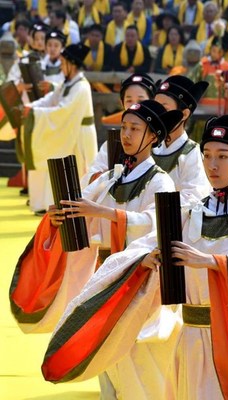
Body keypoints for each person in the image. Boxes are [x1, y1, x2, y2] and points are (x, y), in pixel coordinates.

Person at [41, 114, 228, 400]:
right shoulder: (190, 212)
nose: (212, 165)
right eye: (207, 155)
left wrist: (213, 262)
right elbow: (145, 245)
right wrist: (145, 261)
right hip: (189, 338)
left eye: (223, 156)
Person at [9, 99, 182, 334]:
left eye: (135, 129)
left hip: (137, 275)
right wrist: (60, 215)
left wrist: (102, 212)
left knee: (133, 354)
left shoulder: (161, 181)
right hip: (102, 272)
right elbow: (82, 205)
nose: (126, 135)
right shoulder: (112, 177)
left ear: (153, 136)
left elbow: (156, 226)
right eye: (124, 127)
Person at [20, 42, 98, 215]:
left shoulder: (81, 86)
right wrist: (31, 107)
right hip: (71, 130)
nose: (61, 67)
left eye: (63, 63)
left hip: (81, 135)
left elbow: (64, 110)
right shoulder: (68, 83)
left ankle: (81, 209)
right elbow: (51, 99)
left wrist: (34, 112)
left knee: (80, 170)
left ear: (72, 64)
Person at [83, 72, 157, 186]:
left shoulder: (159, 142)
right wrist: (106, 176)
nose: (134, 106)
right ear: (122, 104)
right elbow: (88, 178)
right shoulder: (113, 142)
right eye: (129, 100)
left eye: (141, 101)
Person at [153, 74, 212, 205]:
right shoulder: (147, 146)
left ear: (184, 114)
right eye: (156, 108)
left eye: (165, 108)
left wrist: (154, 207)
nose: (158, 115)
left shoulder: (192, 153)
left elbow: (194, 197)